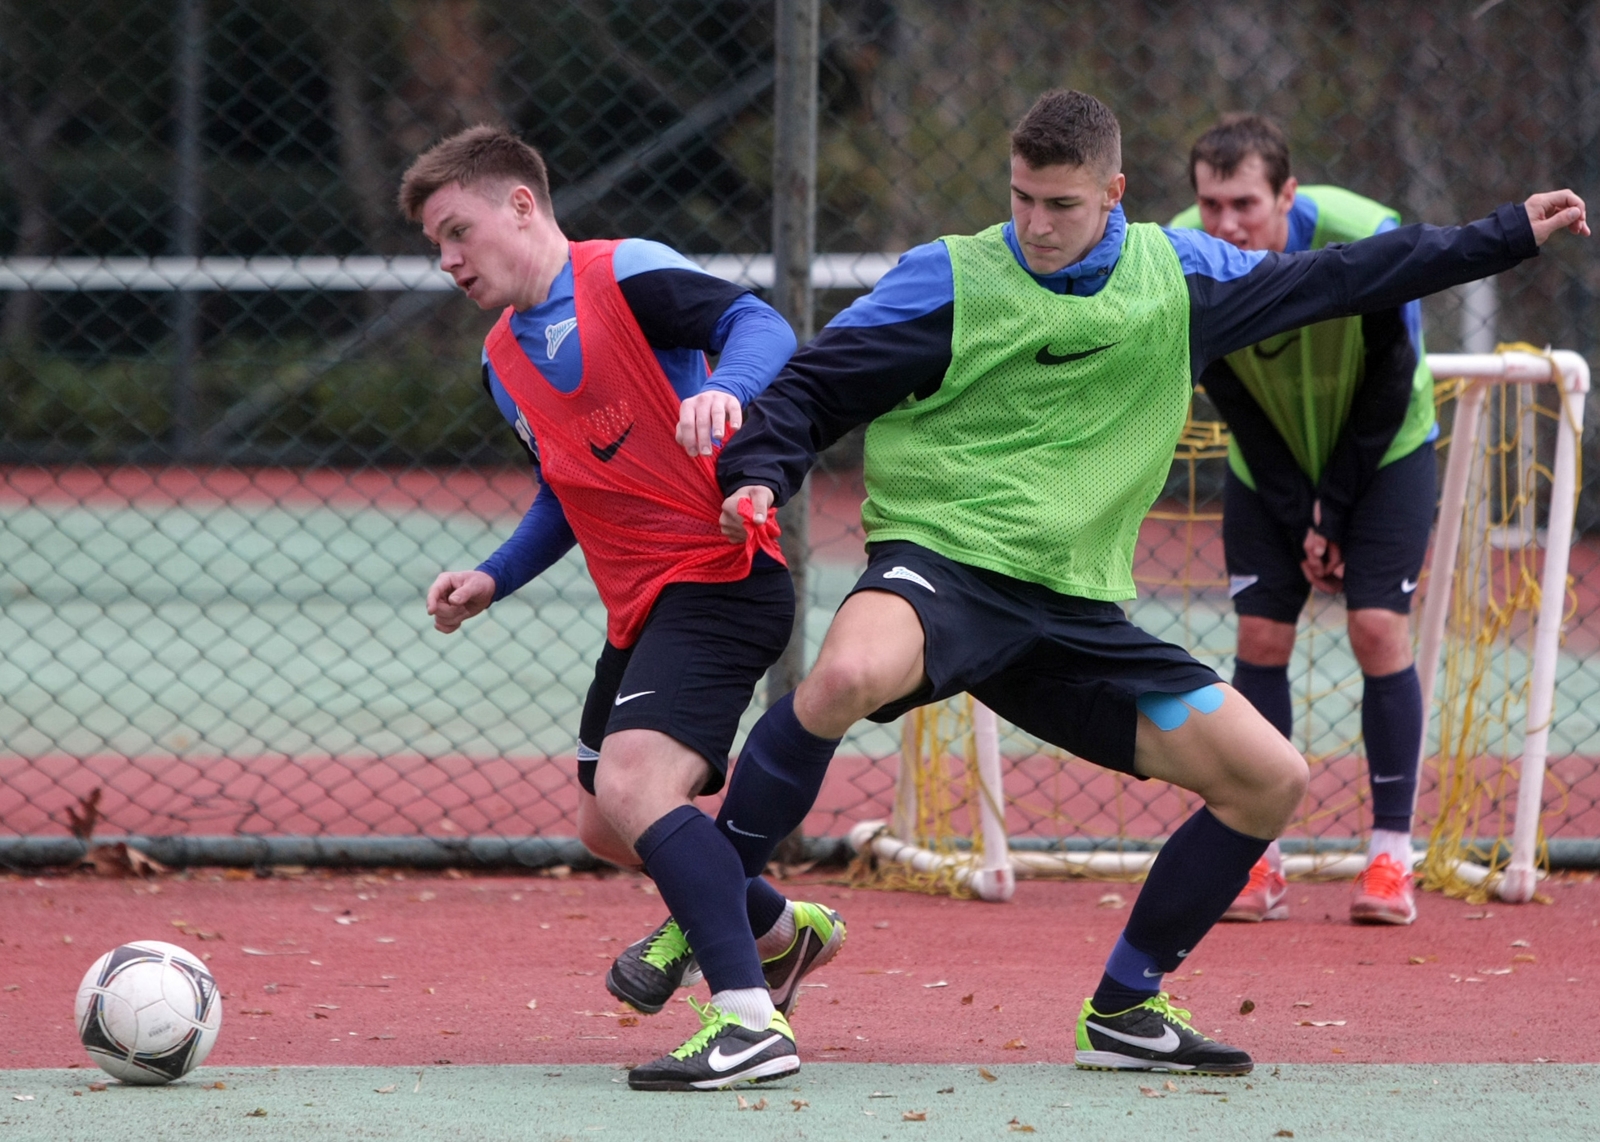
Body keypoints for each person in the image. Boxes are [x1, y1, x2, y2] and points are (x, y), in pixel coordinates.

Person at [704, 90, 1585, 1075]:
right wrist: (756, 473)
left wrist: (1501, 234)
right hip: (945, 565)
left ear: (1114, 194)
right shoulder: (951, 276)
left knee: (1270, 777)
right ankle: (715, 930)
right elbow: (817, 383)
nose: (1035, 223)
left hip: (1075, 610)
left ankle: (1124, 1006)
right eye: (1021, 196)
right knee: (839, 675)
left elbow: (1349, 276)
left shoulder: (1183, 275)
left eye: (1061, 204)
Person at [401, 125, 845, 1091]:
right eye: (436, 245)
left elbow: (763, 326)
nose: (447, 260)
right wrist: (493, 576)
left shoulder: (627, 276)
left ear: (521, 204)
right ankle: (777, 931)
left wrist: (726, 391)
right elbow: (565, 490)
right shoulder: (501, 362)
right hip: (641, 609)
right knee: (608, 827)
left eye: (458, 232)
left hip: (723, 580)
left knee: (639, 789)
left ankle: (747, 1020)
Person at [1172, 114, 1439, 925]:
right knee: (1260, 639)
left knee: (1376, 629)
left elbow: (1390, 380)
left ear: (1288, 193)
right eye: (1211, 204)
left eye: (1245, 203)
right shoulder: (1181, 255)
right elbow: (1236, 402)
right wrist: (1302, 516)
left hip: (1383, 449)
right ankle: (1259, 859)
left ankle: (1391, 856)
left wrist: (1338, 511)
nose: (1226, 225)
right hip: (1271, 458)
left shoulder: (1366, 234)